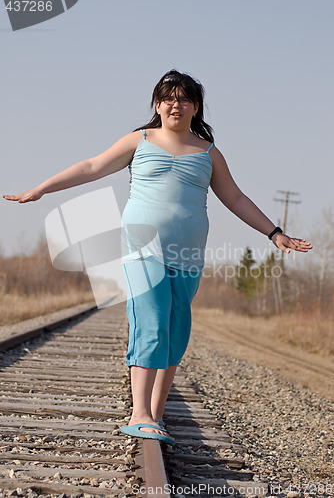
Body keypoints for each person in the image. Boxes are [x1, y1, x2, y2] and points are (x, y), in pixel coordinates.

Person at [3, 70, 312, 446]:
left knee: (176, 330)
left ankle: (157, 413)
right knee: (150, 323)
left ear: (196, 107)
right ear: (157, 104)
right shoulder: (141, 140)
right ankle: (140, 413)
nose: (175, 104)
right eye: (168, 98)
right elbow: (92, 166)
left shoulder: (208, 152)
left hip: (188, 255)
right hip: (141, 248)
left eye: (183, 99)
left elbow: (235, 198)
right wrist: (41, 189)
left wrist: (274, 232)